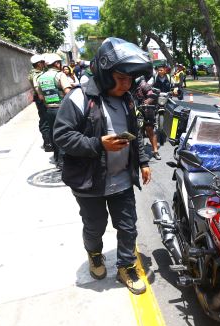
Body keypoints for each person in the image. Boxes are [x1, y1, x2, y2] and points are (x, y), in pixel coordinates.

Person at [53, 37, 152, 295]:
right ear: (105, 73)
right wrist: (98, 144)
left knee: (128, 225)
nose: (126, 84)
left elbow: (136, 133)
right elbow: (62, 136)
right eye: (120, 78)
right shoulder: (79, 97)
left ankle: (125, 267)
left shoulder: (128, 100)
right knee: (94, 225)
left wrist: (143, 161)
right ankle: (95, 254)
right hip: (89, 180)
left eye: (129, 79)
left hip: (121, 179)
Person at [36, 53, 72, 169]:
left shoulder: (41, 77)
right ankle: (63, 161)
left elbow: (41, 97)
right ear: (56, 63)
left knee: (53, 133)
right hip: (61, 109)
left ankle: (57, 159)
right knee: (64, 133)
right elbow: (68, 92)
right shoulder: (59, 75)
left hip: (49, 110)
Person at [28, 54, 52, 152]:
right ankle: (48, 143)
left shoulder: (35, 72)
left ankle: (48, 141)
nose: (44, 64)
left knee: (45, 119)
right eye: (42, 62)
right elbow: (39, 89)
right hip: (41, 98)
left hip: (40, 98)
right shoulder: (37, 75)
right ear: (38, 64)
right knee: (45, 120)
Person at [134, 76, 162, 160]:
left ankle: (155, 151)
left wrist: (147, 102)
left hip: (146, 111)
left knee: (149, 130)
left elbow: (152, 95)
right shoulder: (130, 86)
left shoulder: (144, 85)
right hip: (135, 111)